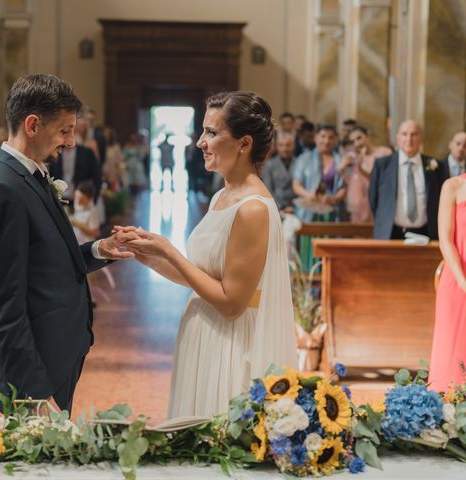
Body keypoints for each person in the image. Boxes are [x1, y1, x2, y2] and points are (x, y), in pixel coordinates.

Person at [119, 91, 298, 417]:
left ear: (244, 144)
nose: (200, 141)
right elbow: (204, 275)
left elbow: (231, 302)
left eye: (212, 133)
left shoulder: (253, 209)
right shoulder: (222, 196)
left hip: (229, 344)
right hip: (203, 333)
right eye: (203, 131)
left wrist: (170, 251)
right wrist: (150, 255)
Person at [0, 73, 135, 413]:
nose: (72, 141)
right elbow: (1, 307)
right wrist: (34, 394)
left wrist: (98, 250)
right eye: (64, 130)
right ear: (32, 125)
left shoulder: (31, 175)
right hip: (34, 373)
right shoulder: (3, 189)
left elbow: (47, 259)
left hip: (56, 354)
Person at [369, 120, 448, 240]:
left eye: (414, 134)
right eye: (404, 134)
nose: (409, 139)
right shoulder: (382, 165)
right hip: (390, 232)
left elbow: (443, 200)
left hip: (426, 232)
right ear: (397, 138)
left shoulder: (437, 166)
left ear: (421, 138)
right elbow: (373, 199)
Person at [429, 173, 466, 391]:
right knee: (451, 351)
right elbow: (446, 239)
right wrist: (463, 281)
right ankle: (449, 417)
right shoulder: (452, 186)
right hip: (456, 277)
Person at [292, 124, 346, 222]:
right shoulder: (304, 158)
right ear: (315, 138)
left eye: (331, 137)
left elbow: (343, 188)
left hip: (332, 211)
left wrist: (333, 199)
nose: (326, 141)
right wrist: (309, 195)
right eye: (323, 136)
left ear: (335, 140)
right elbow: (296, 185)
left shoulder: (340, 160)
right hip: (307, 210)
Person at [338, 126, 392, 224]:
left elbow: (382, 179)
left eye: (359, 138)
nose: (357, 143)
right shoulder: (353, 157)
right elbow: (351, 183)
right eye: (353, 141)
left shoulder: (384, 152)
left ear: (367, 135)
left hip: (378, 205)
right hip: (358, 208)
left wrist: (360, 163)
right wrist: (342, 170)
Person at [261, 132, 297, 211]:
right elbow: (268, 189)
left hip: (296, 207)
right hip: (276, 207)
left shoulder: (300, 163)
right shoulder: (269, 165)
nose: (285, 149)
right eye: (281, 145)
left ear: (294, 146)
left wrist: (295, 207)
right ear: (277, 147)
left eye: (288, 145)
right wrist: (282, 207)